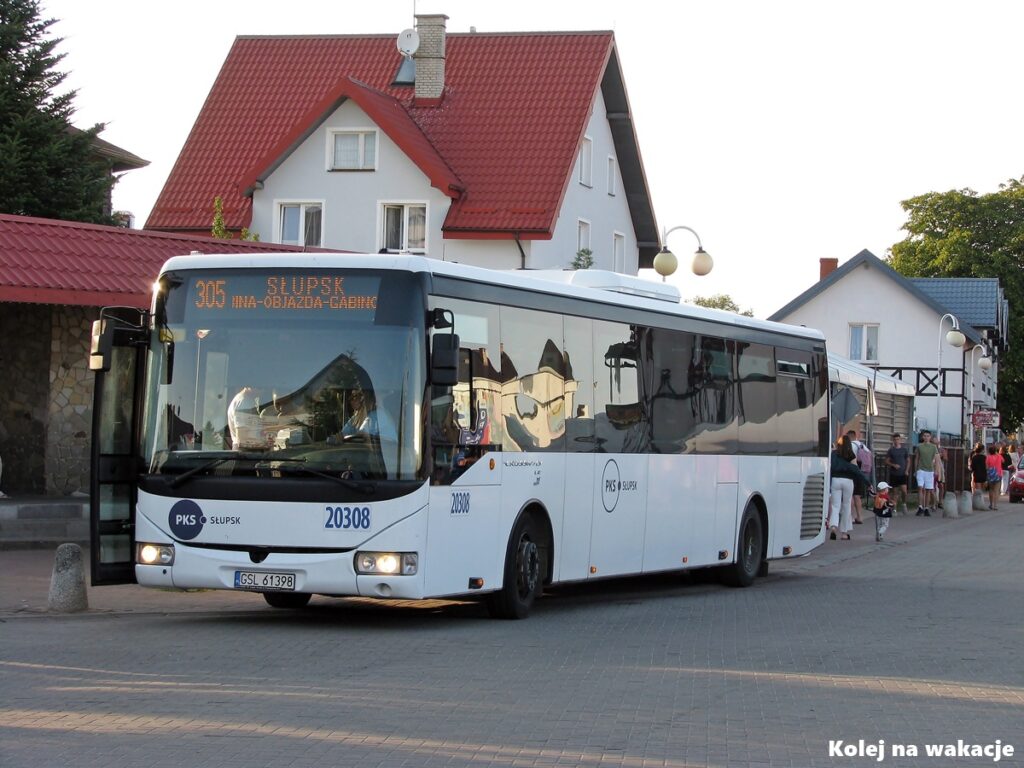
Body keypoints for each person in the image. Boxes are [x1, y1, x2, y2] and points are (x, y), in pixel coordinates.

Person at [829, 435, 871, 540]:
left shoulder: (833, 454)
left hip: (835, 480)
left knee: (835, 506)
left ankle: (833, 527)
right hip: (848, 481)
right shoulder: (851, 455)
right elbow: (857, 470)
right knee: (846, 505)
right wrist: (868, 483)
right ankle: (844, 533)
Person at [227, 386, 268, 450]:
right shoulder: (244, 402)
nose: (262, 392)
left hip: (248, 450)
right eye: (260, 388)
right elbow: (242, 436)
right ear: (250, 387)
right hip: (246, 452)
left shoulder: (244, 400)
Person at [912, 430, 939, 516]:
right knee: (920, 488)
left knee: (928, 489)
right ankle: (920, 506)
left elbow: (936, 459)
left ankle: (926, 507)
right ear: (922, 437)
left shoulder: (933, 447)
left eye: (928, 436)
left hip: (930, 470)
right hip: (921, 469)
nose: (926, 437)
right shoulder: (919, 446)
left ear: (930, 437)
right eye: (925, 436)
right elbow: (917, 458)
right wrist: (916, 469)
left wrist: (936, 470)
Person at [885, 433, 910, 515]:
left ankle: (904, 504)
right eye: (895, 439)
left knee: (904, 491)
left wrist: (906, 470)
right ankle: (894, 508)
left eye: (898, 439)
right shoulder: (891, 450)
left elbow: (908, 460)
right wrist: (893, 465)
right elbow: (886, 461)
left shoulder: (904, 450)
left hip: (902, 473)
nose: (896, 441)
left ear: (900, 440)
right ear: (893, 440)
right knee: (895, 492)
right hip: (894, 473)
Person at [985, 443, 1002, 510]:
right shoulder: (999, 456)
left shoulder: (988, 457)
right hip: (998, 474)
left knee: (991, 490)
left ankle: (991, 504)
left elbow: (986, 467)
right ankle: (995, 505)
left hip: (991, 475)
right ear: (995, 451)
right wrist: (997, 453)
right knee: (996, 490)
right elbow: (1003, 461)